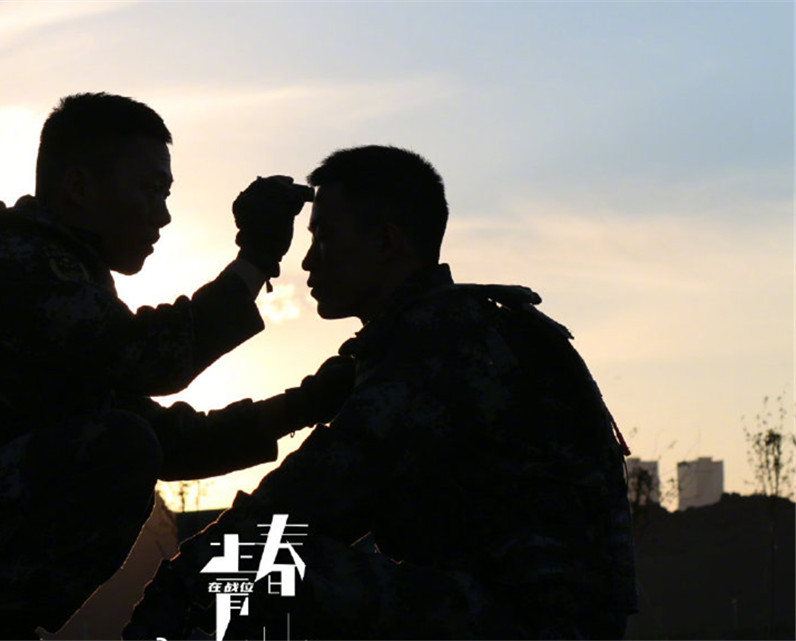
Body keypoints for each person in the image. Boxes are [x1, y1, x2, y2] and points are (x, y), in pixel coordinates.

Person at [0, 92, 352, 639]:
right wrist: (254, 260)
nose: (163, 214)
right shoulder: (16, 261)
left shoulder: (60, 292)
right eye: (151, 189)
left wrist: (308, 403)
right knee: (119, 447)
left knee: (127, 442)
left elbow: (170, 440)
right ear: (80, 187)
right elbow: (150, 362)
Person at [125, 145, 639, 640]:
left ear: (386, 243)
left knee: (251, 564)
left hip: (523, 622)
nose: (308, 262)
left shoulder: (439, 342)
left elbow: (309, 495)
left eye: (324, 237)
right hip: (512, 611)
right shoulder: (451, 329)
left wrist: (176, 587)